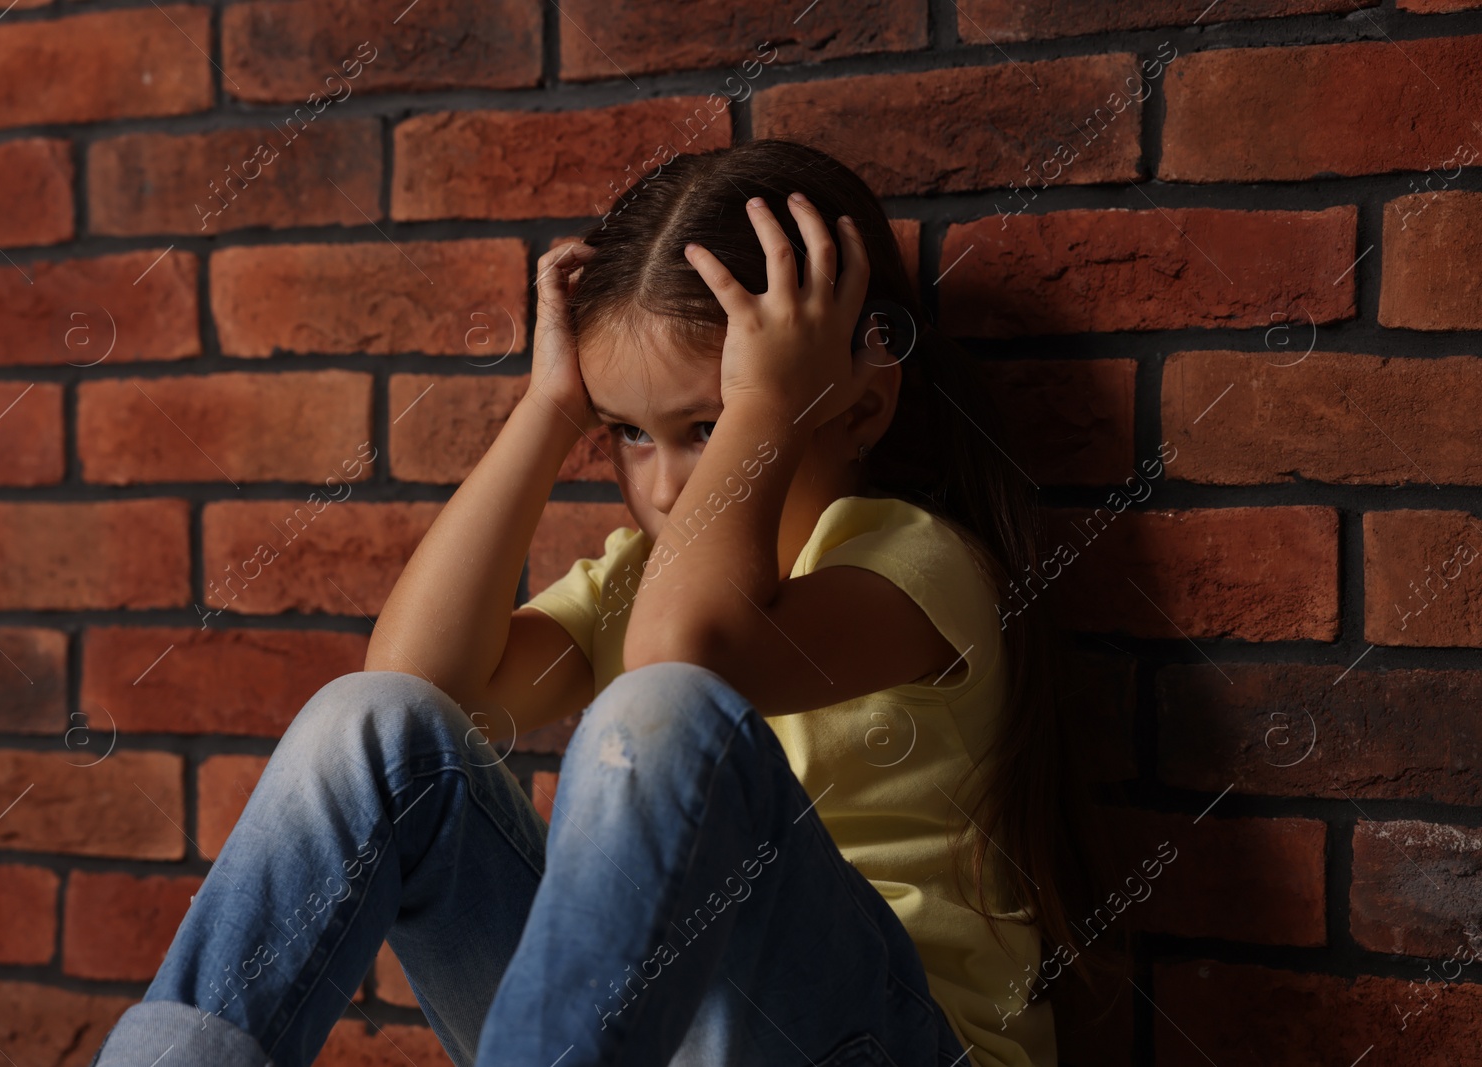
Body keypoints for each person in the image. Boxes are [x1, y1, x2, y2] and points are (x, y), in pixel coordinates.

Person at [86, 138, 1116, 1067]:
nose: (663, 485)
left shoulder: (916, 563)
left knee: (661, 710)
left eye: (707, 425)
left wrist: (766, 398)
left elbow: (686, 660)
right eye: (626, 431)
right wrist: (546, 410)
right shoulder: (643, 576)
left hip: (884, 1042)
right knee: (367, 724)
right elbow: (420, 690)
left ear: (860, 402)